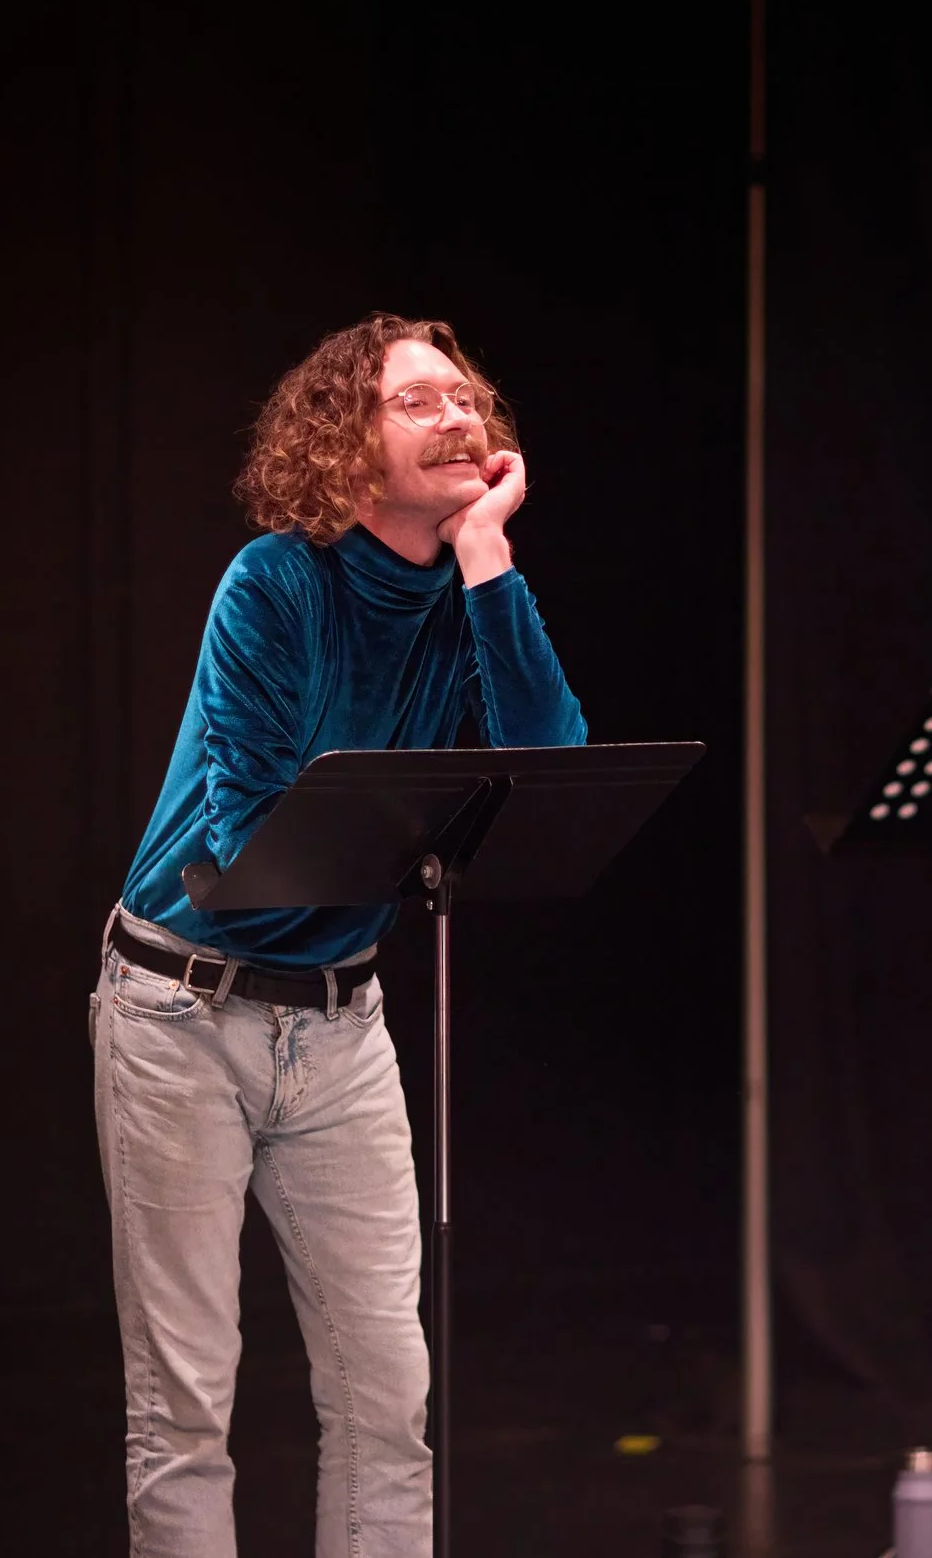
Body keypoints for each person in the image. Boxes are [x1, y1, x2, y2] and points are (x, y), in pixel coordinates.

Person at [91, 313, 586, 1556]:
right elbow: (253, 846)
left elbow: (551, 763)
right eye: (417, 401)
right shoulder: (274, 583)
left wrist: (487, 557)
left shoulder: (466, 592)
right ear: (344, 442)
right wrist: (411, 839)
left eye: (467, 398)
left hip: (339, 1021)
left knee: (386, 1396)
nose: (458, 416)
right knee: (186, 1404)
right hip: (181, 1008)